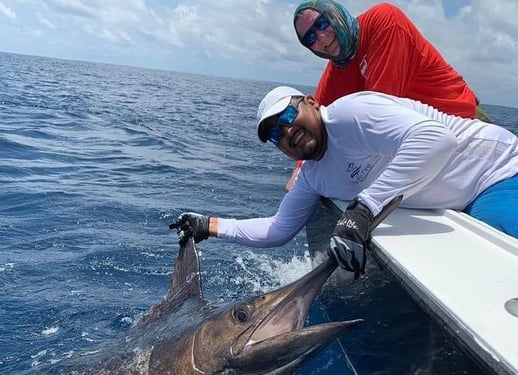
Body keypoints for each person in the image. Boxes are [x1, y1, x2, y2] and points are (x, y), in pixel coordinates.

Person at [170, 86, 518, 278]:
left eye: (288, 116)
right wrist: (209, 225)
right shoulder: (311, 176)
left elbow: (438, 140)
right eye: (275, 134)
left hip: (496, 172)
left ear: (311, 101)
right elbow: (277, 230)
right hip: (455, 204)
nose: (287, 131)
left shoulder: (350, 114)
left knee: (497, 266)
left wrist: (363, 209)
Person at [286, 0, 491, 190]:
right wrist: (300, 170)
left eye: (322, 24)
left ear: (334, 13)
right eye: (310, 38)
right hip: (427, 147)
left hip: (467, 127)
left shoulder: (384, 21)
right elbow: (315, 121)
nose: (321, 39)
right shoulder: (334, 75)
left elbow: (379, 119)